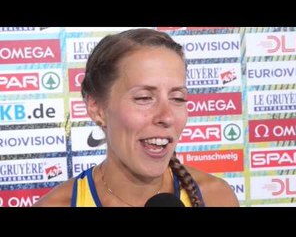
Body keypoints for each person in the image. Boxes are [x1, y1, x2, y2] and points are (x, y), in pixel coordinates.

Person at [33, 28, 239, 207]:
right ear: (97, 109)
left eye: (177, 98)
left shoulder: (216, 197)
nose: (166, 117)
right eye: (144, 98)